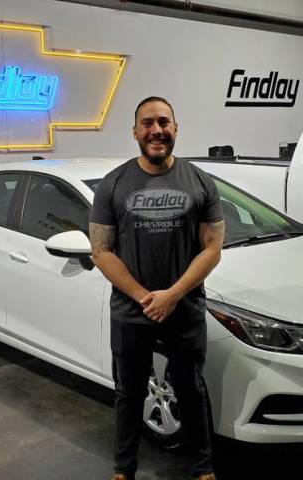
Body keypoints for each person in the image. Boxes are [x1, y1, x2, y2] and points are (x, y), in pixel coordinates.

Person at [89, 96, 225, 480]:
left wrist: (173, 294)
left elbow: (212, 248)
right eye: (147, 123)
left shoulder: (200, 182)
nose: (157, 130)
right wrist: (144, 297)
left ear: (176, 128)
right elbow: (101, 251)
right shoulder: (113, 185)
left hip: (184, 309)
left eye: (164, 122)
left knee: (191, 390)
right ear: (135, 132)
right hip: (132, 311)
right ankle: (123, 469)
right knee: (128, 394)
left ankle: (203, 469)